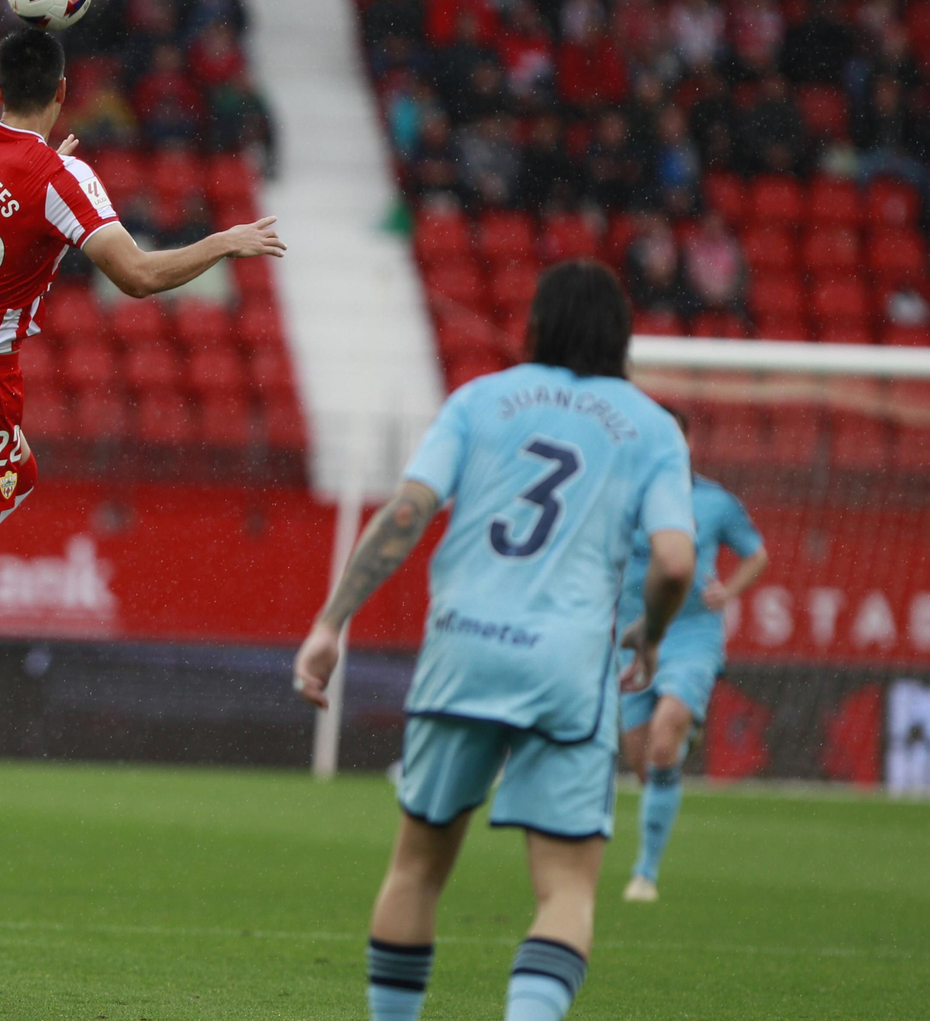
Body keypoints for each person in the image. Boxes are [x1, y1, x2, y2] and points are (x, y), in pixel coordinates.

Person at [0, 27, 285, 782]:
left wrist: (22, 188)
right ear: (59, 94)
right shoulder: (62, 177)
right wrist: (224, 241)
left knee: (17, 476)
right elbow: (139, 277)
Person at [292, 260, 696, 1021]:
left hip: (462, 647)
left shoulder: (478, 400)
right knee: (565, 888)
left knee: (416, 870)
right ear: (622, 338)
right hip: (569, 666)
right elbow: (675, 559)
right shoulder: (649, 426)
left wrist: (329, 622)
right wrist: (651, 633)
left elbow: (407, 512)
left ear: (535, 326)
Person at [619, 408, 766, 902]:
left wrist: (730, 589)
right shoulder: (622, 495)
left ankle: (645, 874)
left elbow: (756, 552)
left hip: (691, 634)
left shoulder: (715, 502)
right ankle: (682, 735)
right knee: (645, 764)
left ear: (686, 445)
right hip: (630, 636)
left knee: (664, 738)